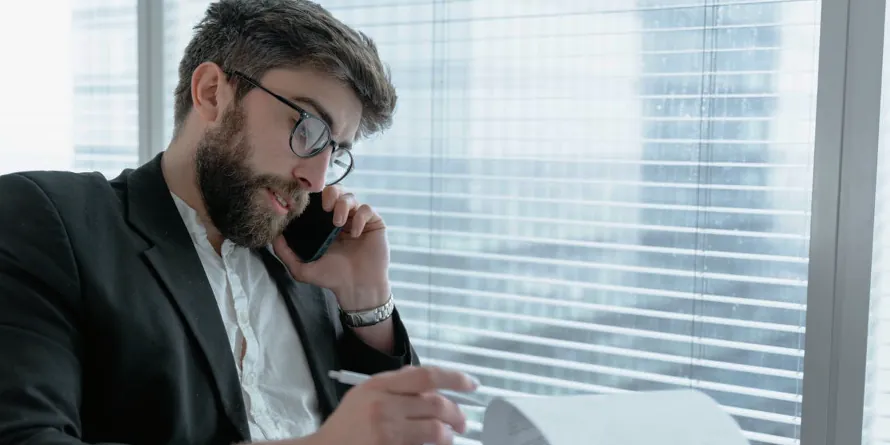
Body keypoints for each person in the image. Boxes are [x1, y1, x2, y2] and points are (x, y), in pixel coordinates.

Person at [0, 1, 477, 445]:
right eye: (308, 129)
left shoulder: (310, 260)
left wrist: (365, 301)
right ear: (211, 93)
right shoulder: (52, 218)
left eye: (336, 150)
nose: (315, 178)